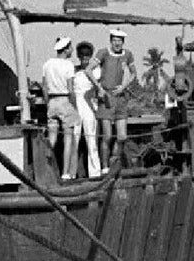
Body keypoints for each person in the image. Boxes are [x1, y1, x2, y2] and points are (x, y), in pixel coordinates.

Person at [94, 28, 139, 165]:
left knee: (122, 136)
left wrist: (123, 87)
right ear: (111, 41)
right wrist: (99, 87)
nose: (117, 43)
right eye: (114, 40)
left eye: (119, 41)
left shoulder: (128, 55)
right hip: (106, 97)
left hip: (120, 97)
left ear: (123, 42)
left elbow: (133, 74)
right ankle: (105, 166)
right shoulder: (103, 53)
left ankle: (114, 159)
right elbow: (89, 70)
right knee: (107, 136)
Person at [41, 36, 80, 181]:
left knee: (52, 139)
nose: (71, 50)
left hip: (52, 101)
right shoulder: (68, 65)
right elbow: (70, 89)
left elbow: (44, 87)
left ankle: (46, 170)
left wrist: (48, 103)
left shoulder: (47, 64)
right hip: (64, 100)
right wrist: (74, 107)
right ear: (66, 49)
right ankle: (65, 173)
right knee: (68, 139)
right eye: (70, 47)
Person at [71, 42, 105, 180]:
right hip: (75, 105)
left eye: (87, 55)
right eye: (82, 55)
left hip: (90, 105)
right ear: (79, 56)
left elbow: (100, 88)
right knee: (74, 139)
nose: (85, 58)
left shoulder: (96, 71)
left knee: (91, 139)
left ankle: (95, 172)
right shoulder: (74, 71)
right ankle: (71, 173)